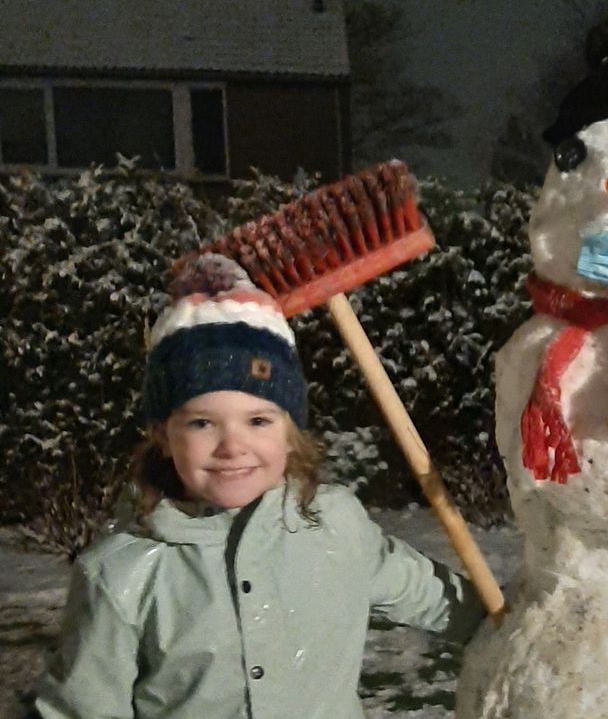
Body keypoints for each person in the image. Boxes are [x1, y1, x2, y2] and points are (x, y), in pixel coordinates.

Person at [35, 254, 486, 719]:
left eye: (258, 420)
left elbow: (435, 597)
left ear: (291, 434)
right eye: (203, 423)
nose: (233, 446)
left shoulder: (337, 527)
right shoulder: (122, 576)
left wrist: (523, 623)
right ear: (164, 438)